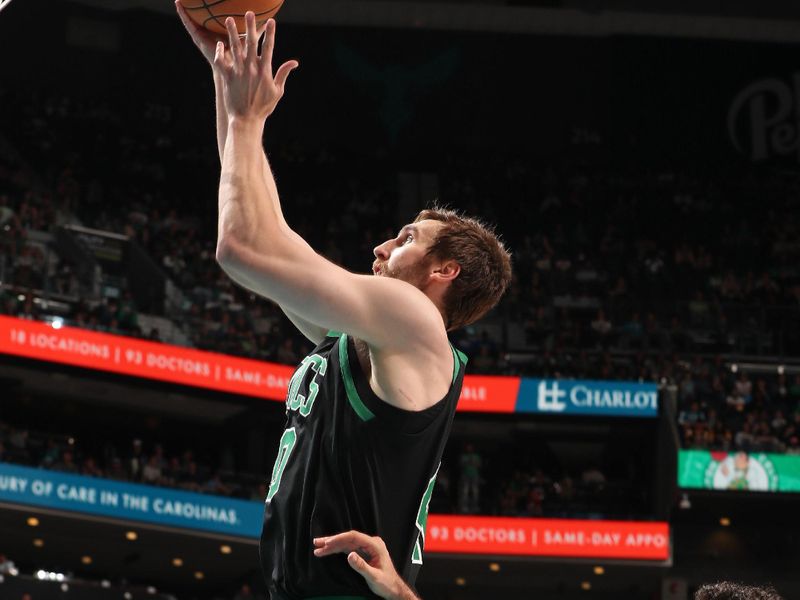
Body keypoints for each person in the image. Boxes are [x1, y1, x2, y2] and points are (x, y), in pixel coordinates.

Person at [175, 6, 511, 600]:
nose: (382, 246)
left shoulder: (415, 322)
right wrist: (227, 84)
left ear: (445, 270)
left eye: (406, 237)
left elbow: (241, 249)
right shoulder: (366, 343)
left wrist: (247, 117)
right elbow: (266, 233)